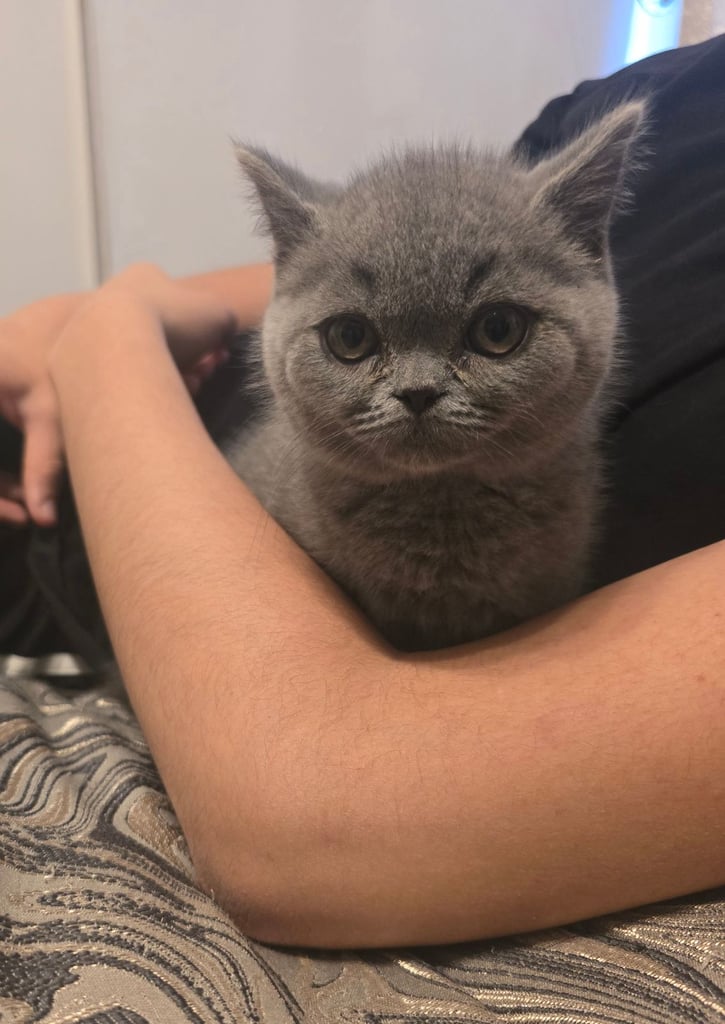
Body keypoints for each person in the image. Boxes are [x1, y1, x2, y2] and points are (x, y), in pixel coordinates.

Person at [0, 37, 724, 950]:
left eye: (494, 329)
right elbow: (340, 269)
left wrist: (104, 335)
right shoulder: (652, 82)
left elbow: (305, 811)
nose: (417, 385)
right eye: (354, 342)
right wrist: (115, 310)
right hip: (82, 460)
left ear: (592, 257)